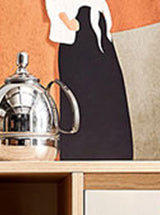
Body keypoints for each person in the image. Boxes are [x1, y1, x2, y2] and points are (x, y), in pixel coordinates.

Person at [46, 1, 133, 159]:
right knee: (79, 95)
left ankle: (117, 153)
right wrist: (67, 21)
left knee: (111, 91)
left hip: (100, 33)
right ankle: (78, 154)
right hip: (78, 34)